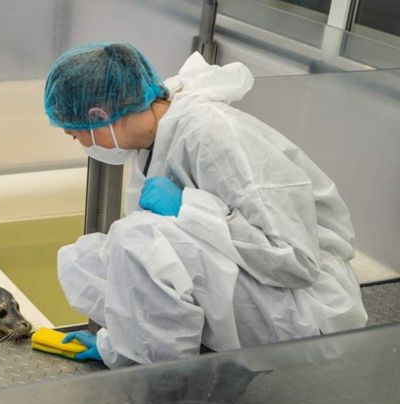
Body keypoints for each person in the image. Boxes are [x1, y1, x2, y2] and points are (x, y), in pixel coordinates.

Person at [44, 42, 368, 368]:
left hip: (309, 312)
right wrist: (114, 343)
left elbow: (295, 260)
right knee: (82, 260)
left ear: (98, 116)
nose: (80, 143)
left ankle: (169, 380)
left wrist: (188, 209)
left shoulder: (213, 133)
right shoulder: (155, 138)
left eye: (75, 134)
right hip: (260, 285)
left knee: (135, 239)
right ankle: (137, 351)